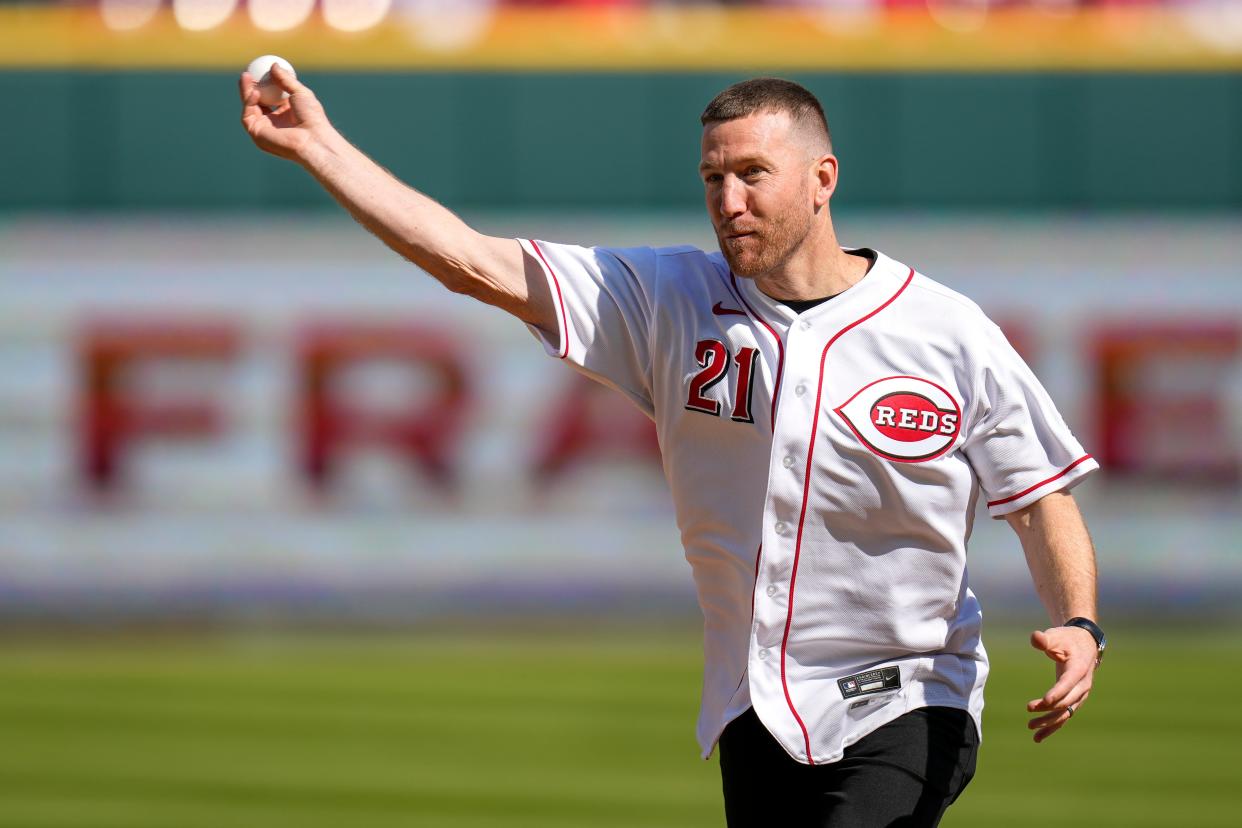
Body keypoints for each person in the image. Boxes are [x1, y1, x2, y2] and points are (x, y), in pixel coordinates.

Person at [239, 70, 1105, 827]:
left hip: (909, 698)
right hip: (753, 707)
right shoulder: (668, 301)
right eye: (713, 177)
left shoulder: (945, 330)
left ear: (822, 179)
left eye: (753, 174)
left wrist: (1077, 621)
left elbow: (1039, 496)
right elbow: (470, 262)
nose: (729, 200)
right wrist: (323, 149)